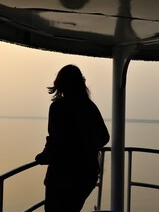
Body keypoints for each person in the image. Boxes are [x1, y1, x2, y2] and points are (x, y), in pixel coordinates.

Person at [35, 64, 110, 212]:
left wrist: (44, 156)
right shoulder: (89, 107)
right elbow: (104, 137)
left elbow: (55, 141)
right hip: (86, 176)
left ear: (61, 85)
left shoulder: (58, 108)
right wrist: (86, 148)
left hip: (62, 178)